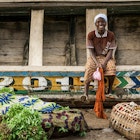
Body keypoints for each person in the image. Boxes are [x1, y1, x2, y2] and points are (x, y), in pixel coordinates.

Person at [83, 13, 117, 100]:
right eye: (98, 22)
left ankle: (109, 91)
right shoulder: (91, 35)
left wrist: (104, 62)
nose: (101, 24)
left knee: (112, 68)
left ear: (105, 23)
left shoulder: (110, 35)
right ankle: (85, 94)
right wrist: (97, 63)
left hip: (106, 57)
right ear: (96, 24)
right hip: (94, 57)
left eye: (103, 22)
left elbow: (110, 51)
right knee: (89, 68)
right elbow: (91, 51)